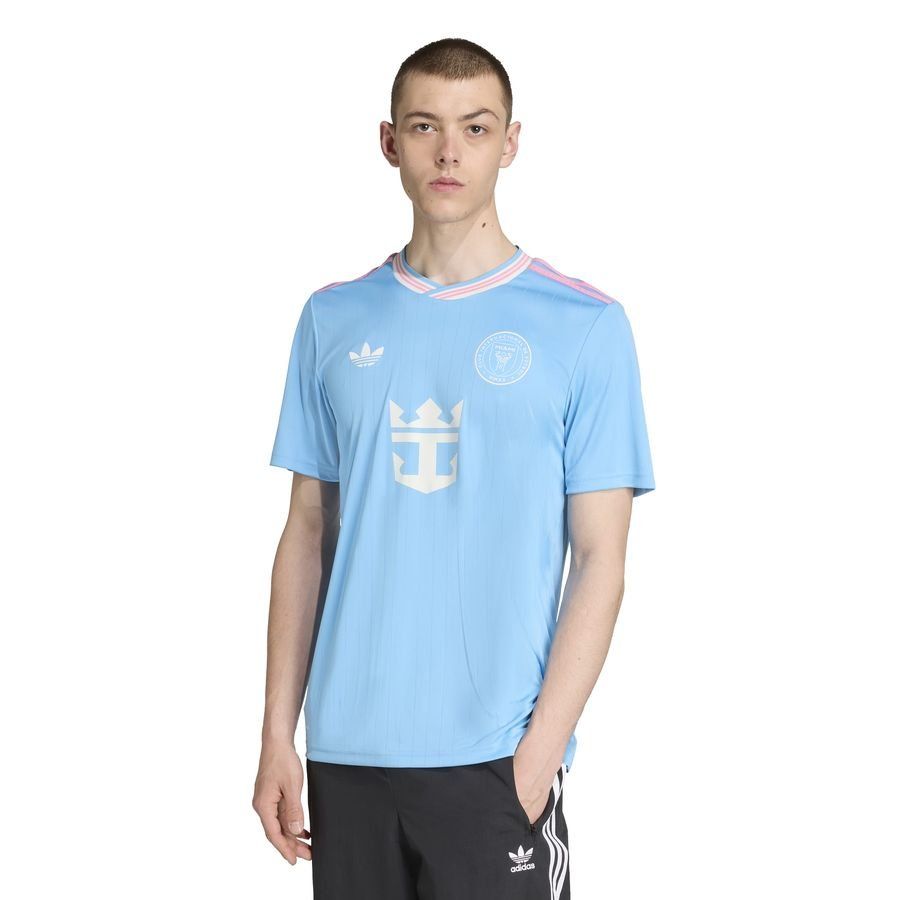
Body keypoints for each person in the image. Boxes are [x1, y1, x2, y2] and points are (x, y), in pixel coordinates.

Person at [252, 37, 656, 899]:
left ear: (510, 143)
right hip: (346, 754)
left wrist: (537, 757)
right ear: (389, 142)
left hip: (495, 759)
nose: (448, 152)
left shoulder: (584, 327)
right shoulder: (331, 319)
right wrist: (277, 733)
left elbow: (602, 560)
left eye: (474, 128)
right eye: (424, 126)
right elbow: (307, 534)